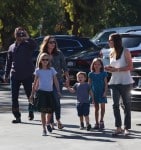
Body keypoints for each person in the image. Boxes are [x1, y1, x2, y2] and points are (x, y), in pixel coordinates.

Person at [4, 26, 36, 123]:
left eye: (22, 32)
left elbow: (35, 46)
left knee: (29, 95)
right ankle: (17, 116)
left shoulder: (28, 44)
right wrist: (6, 74)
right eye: (18, 32)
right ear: (15, 34)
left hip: (27, 74)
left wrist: (27, 37)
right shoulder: (11, 47)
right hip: (15, 75)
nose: (20, 34)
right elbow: (8, 62)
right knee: (14, 97)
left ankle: (31, 111)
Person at [36, 35, 69, 129]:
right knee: (49, 103)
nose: (53, 44)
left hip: (57, 80)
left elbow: (64, 66)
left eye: (54, 42)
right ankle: (51, 122)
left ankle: (58, 120)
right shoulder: (42, 54)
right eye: (51, 42)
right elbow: (37, 69)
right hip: (45, 82)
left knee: (56, 101)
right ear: (46, 43)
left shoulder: (59, 53)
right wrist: (36, 85)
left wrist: (67, 78)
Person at [104, 33, 134, 136]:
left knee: (126, 105)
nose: (108, 42)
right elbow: (114, 69)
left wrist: (116, 69)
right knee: (115, 105)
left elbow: (130, 67)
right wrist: (109, 69)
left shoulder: (126, 51)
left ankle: (126, 128)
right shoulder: (111, 52)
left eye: (110, 40)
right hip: (114, 82)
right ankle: (118, 127)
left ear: (116, 41)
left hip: (125, 82)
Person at [29, 53, 61, 136]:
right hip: (41, 93)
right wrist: (32, 94)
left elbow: (55, 81)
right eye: (43, 59)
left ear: (49, 61)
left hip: (50, 92)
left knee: (50, 110)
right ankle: (44, 129)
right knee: (43, 112)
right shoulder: (38, 70)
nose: (45, 61)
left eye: (47, 59)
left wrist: (58, 91)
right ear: (40, 60)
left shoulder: (52, 70)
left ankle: (48, 123)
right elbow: (35, 82)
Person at [88, 58, 108, 129]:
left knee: (102, 108)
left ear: (101, 65)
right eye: (95, 64)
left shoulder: (104, 73)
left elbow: (106, 84)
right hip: (94, 93)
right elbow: (89, 85)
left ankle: (101, 121)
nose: (96, 65)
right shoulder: (91, 74)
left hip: (102, 93)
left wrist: (105, 92)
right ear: (93, 65)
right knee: (96, 108)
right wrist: (90, 94)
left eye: (98, 64)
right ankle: (96, 123)